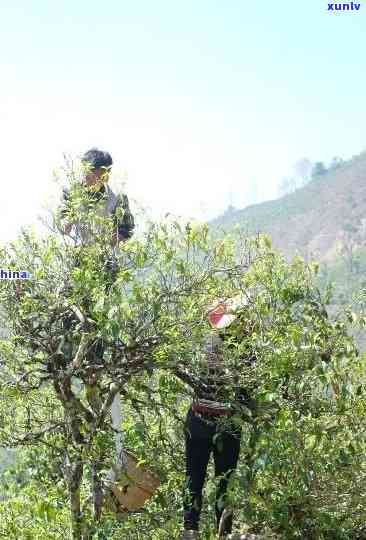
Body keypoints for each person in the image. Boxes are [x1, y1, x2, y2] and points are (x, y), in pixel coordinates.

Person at [181, 296, 254, 540]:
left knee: (195, 477)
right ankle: (221, 532)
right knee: (223, 481)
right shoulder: (241, 348)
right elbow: (247, 391)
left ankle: (192, 529)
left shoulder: (202, 343)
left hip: (199, 420)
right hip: (223, 424)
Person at [61, 147, 135, 245]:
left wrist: (112, 239)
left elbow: (127, 229)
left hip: (109, 256)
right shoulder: (70, 193)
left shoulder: (118, 197)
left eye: (103, 175)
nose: (98, 179)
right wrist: (66, 224)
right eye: (92, 173)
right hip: (77, 252)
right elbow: (62, 221)